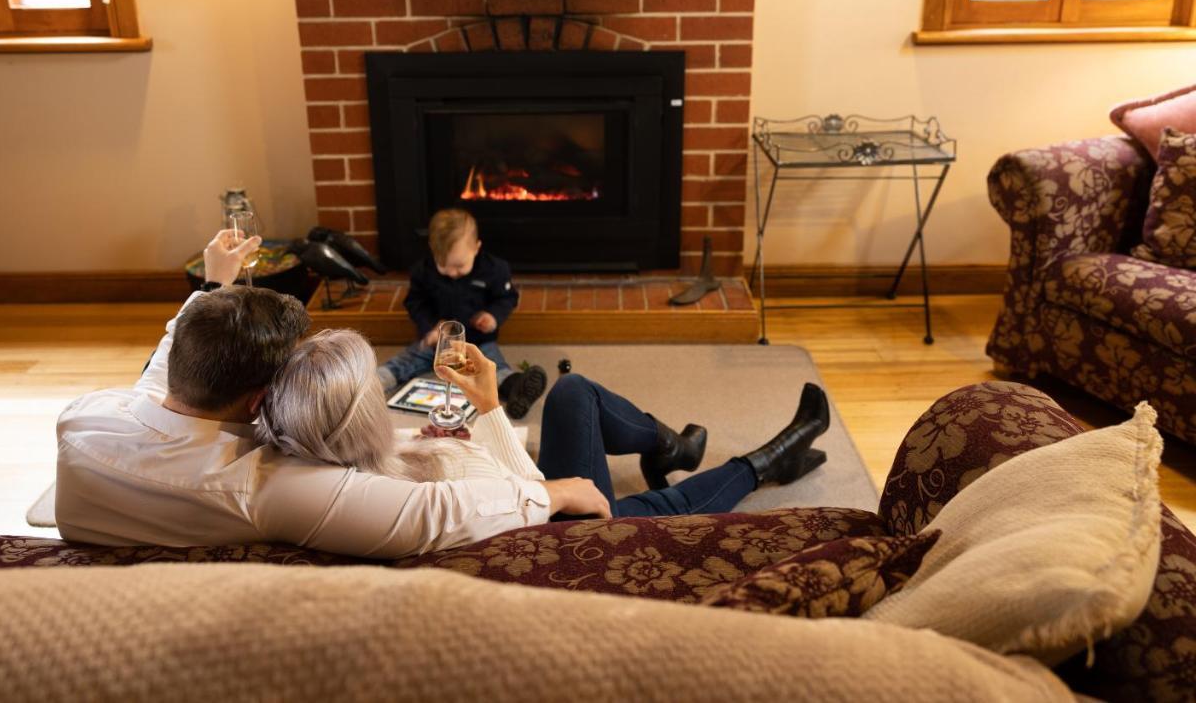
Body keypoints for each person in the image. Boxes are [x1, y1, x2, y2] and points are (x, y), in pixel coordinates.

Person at [54, 228, 608, 558]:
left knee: (576, 398)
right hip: (572, 517)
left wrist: (213, 285)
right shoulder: (262, 487)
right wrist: (554, 496)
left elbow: (164, 364)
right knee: (578, 396)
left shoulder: (86, 420)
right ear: (260, 402)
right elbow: (430, 512)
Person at [261, 333, 831, 527]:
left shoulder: (310, 453)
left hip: (522, 498)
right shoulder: (424, 503)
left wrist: (423, 441)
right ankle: (774, 457)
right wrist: (487, 410)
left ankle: (670, 444)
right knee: (664, 507)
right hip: (552, 526)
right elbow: (521, 483)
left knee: (573, 392)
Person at [377, 209, 547, 419]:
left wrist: (492, 316)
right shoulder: (422, 271)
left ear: (476, 248)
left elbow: (507, 298)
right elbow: (415, 302)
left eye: (459, 266)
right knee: (408, 359)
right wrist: (430, 326)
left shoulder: (494, 269)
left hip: (478, 341)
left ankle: (514, 387)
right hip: (438, 342)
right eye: (444, 267)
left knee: (490, 366)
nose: (452, 273)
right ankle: (371, 384)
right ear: (432, 250)